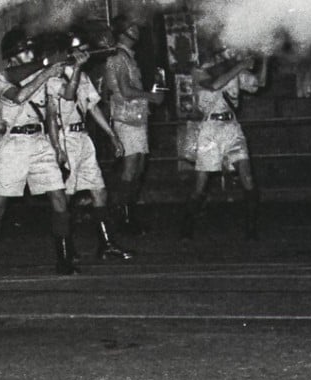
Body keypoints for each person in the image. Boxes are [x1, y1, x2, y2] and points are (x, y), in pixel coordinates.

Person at [0, 27, 73, 276]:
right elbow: (19, 96)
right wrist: (47, 68)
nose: (33, 54)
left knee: (59, 198)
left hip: (39, 140)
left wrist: (74, 67)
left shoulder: (45, 74)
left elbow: (54, 110)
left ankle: (64, 258)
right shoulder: (0, 78)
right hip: (15, 143)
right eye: (28, 50)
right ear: (15, 53)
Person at [47, 33, 133, 272]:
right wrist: (56, 148)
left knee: (99, 190)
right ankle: (65, 249)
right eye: (80, 50)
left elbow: (93, 108)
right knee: (64, 197)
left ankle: (106, 245)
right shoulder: (54, 78)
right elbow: (59, 108)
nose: (85, 54)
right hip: (66, 139)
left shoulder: (83, 76)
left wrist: (112, 135)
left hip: (83, 138)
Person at [180, 44, 268, 241]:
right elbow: (215, 84)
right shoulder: (198, 71)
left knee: (248, 178)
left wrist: (265, 58)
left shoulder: (233, 70)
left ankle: (251, 229)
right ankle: (187, 226)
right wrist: (239, 65)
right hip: (210, 129)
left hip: (232, 127)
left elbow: (259, 83)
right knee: (200, 184)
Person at [103, 17, 165, 235]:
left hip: (136, 119)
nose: (135, 30)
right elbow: (126, 91)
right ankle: (121, 219)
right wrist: (151, 96)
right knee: (130, 170)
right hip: (126, 120)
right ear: (121, 33)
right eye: (131, 28)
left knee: (137, 169)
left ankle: (126, 216)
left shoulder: (129, 57)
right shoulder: (119, 58)